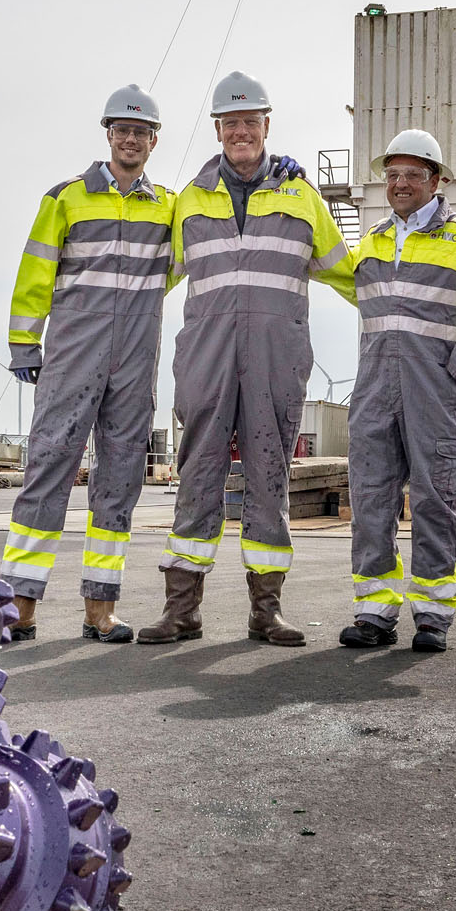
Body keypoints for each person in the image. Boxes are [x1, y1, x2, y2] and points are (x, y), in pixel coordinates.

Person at [135, 72, 354, 647]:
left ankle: (266, 611)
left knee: (269, 478)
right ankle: (181, 610)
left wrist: (409, 320)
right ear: (217, 130)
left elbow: (348, 273)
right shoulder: (188, 201)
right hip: (205, 358)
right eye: (230, 123)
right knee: (197, 477)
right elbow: (148, 279)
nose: (240, 132)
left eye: (249, 122)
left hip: (276, 358)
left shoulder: (301, 196)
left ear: (266, 127)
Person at [0, 85, 178, 642]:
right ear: (108, 135)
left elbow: (195, 239)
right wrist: (25, 344)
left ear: (153, 140)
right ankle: (21, 605)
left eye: (140, 132)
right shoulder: (66, 198)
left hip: (134, 359)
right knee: (48, 468)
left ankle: (100, 608)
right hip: (74, 354)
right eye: (121, 130)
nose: (130, 139)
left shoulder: (169, 205)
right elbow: (35, 275)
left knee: (120, 479)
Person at [336, 128, 456, 654]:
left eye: (412, 175)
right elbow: (331, 271)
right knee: (370, 497)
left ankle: (433, 615)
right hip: (374, 388)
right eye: (392, 175)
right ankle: (374, 612)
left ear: (436, 181)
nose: (400, 184)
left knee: (436, 498)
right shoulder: (371, 241)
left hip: (434, 387)